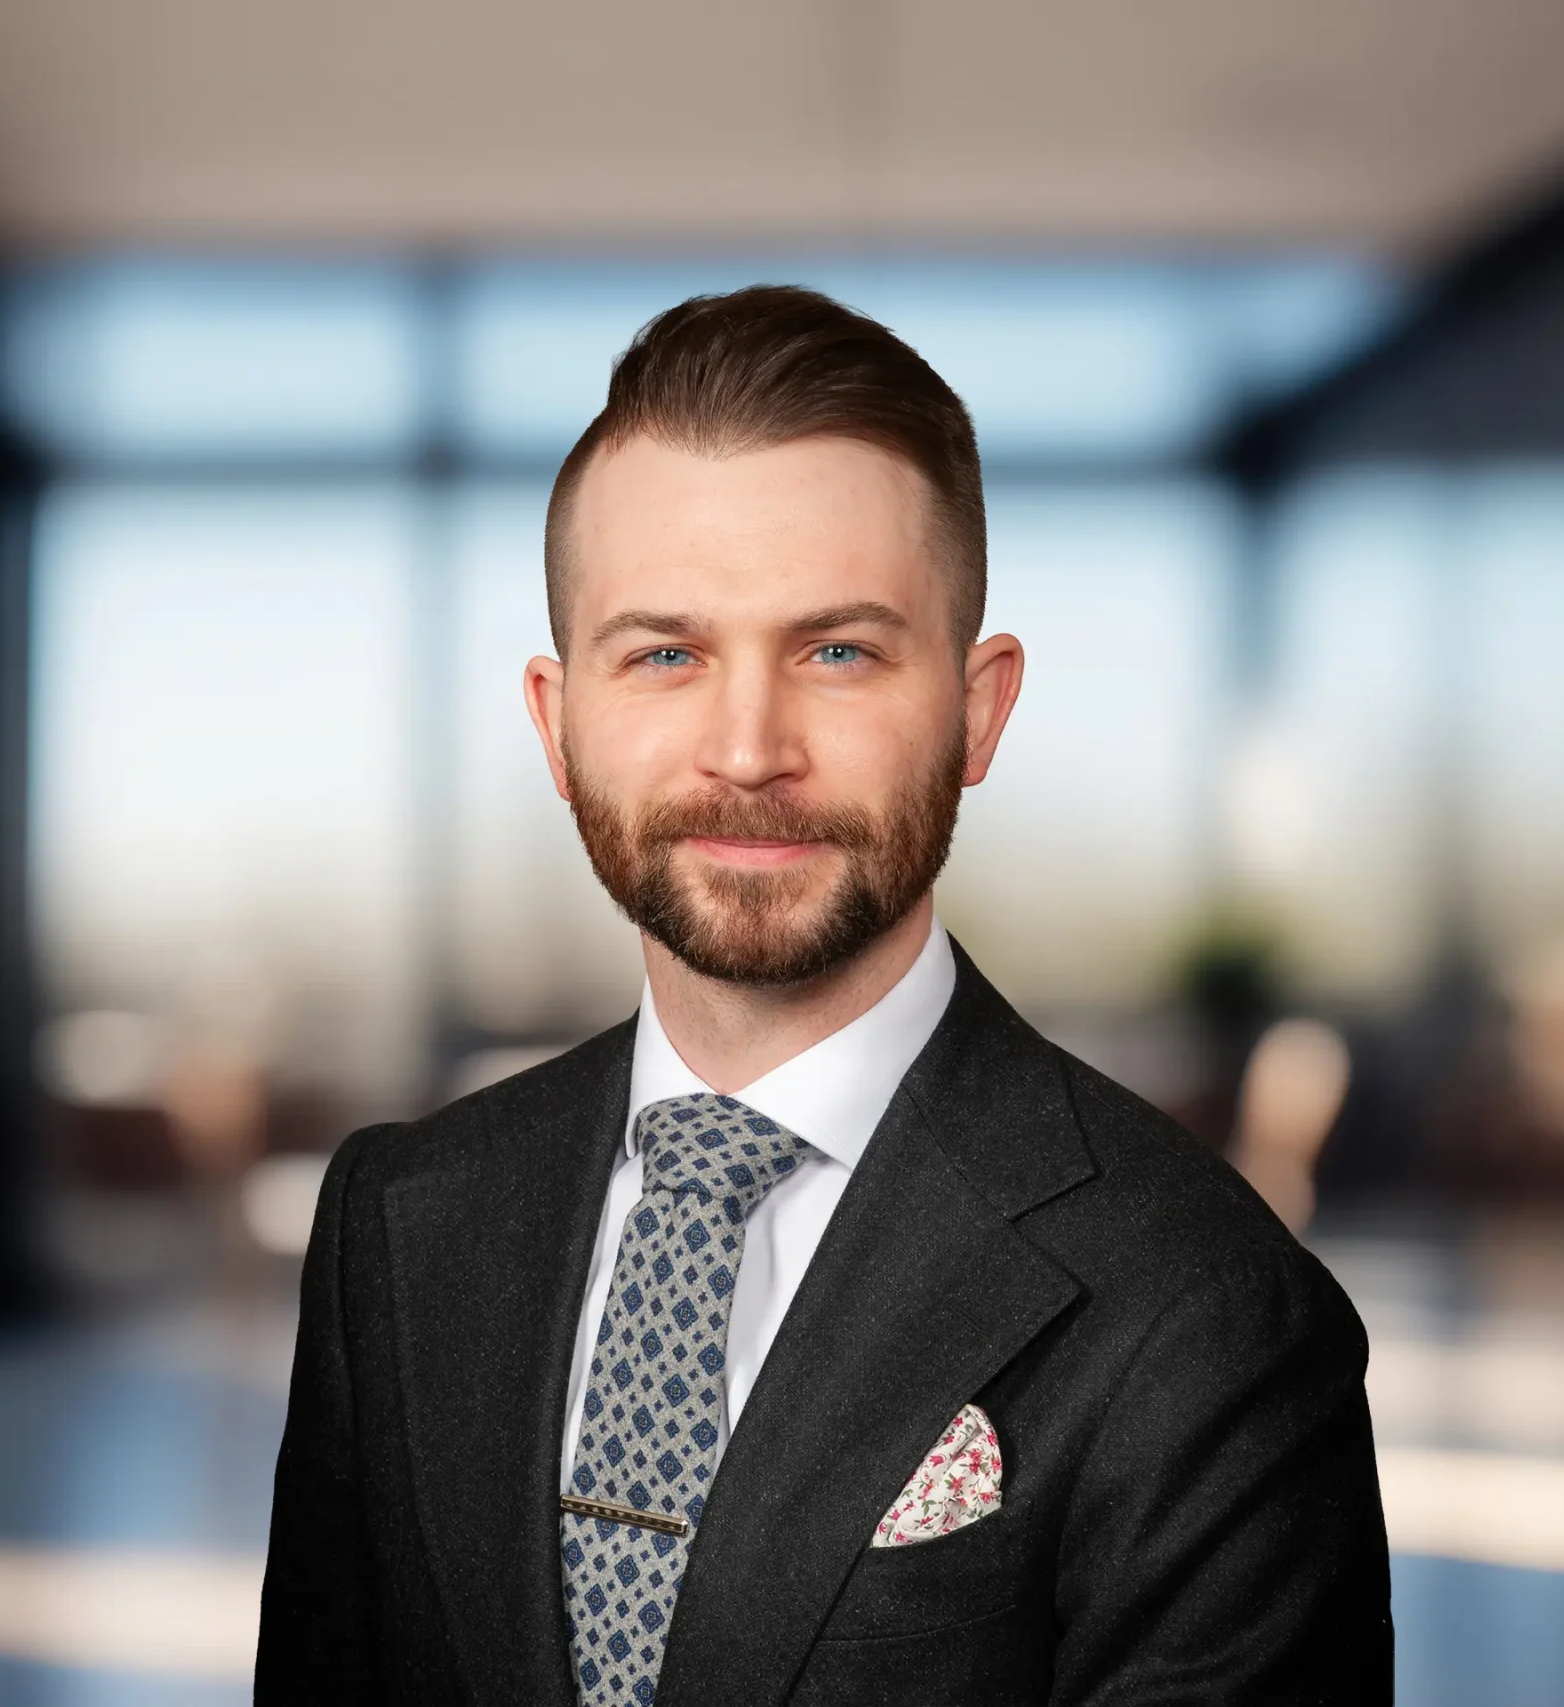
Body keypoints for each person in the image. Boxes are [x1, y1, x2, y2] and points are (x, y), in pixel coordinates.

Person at [256, 285, 1392, 1705]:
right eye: (665, 652)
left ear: (979, 710)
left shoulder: (1209, 1309)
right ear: (559, 724)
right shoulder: (397, 1225)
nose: (747, 748)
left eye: (838, 650)